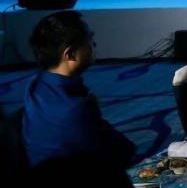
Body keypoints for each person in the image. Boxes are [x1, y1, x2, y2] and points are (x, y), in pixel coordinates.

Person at [21, 10, 136, 170]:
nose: (94, 45)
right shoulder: (76, 108)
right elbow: (111, 156)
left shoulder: (35, 85)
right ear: (70, 54)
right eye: (89, 40)